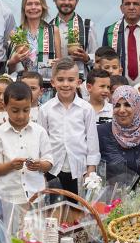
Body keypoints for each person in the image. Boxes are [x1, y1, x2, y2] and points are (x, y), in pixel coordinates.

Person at [37, 59, 100, 195]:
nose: (65, 84)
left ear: (78, 82)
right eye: (60, 79)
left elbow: (92, 141)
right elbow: (40, 142)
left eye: (70, 80)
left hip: (79, 170)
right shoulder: (45, 109)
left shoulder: (86, 109)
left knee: (78, 211)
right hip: (52, 169)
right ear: (53, 82)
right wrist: (41, 172)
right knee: (54, 210)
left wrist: (90, 171)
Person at [0, 82, 53, 204]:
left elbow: (49, 162)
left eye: (26, 110)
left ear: (31, 106)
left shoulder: (39, 131)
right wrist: (10, 165)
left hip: (35, 195)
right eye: (15, 110)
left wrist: (40, 165)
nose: (21, 115)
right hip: (7, 196)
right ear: (5, 106)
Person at [98, 85, 140, 184]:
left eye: (127, 105)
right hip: (111, 197)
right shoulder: (101, 132)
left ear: (137, 106)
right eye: (117, 105)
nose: (122, 110)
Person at [7, 0, 58, 83]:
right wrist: (13, 62)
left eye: (37, 4)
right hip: (24, 89)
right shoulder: (15, 33)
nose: (33, 7)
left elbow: (60, 63)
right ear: (24, 8)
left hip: (48, 88)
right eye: (29, 4)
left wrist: (57, 63)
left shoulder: (53, 30)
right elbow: (10, 71)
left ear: (43, 7)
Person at [50, 0, 98, 75]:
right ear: (55, 0)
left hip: (82, 81)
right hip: (57, 80)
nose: (67, 2)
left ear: (77, 1)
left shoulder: (87, 26)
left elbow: (97, 59)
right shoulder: (48, 28)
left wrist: (86, 58)